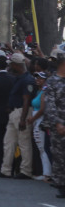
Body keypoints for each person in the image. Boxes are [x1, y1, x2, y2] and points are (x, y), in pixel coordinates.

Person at [0, 53, 35, 179]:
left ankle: (26, 171)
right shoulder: (20, 78)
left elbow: (26, 100)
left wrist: (23, 119)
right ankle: (6, 170)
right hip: (15, 111)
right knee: (8, 141)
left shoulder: (27, 80)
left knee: (24, 142)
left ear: (15, 65)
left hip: (21, 112)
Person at [41, 49, 65, 198]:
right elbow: (50, 104)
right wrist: (57, 123)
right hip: (59, 126)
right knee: (59, 155)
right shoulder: (52, 81)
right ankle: (61, 185)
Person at [28, 72, 51, 180]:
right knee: (40, 147)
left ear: (45, 80)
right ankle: (46, 172)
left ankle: (47, 174)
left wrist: (33, 119)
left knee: (42, 147)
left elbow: (42, 109)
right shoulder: (38, 91)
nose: (38, 79)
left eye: (41, 78)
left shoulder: (44, 91)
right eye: (37, 77)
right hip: (36, 120)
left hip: (40, 120)